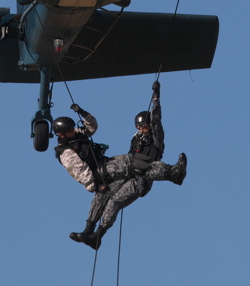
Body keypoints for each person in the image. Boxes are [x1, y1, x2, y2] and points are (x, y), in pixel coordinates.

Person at [54, 80, 187, 250]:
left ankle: (171, 173)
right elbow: (77, 171)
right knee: (109, 198)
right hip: (103, 173)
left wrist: (156, 98)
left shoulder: (155, 135)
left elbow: (155, 121)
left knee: (132, 165)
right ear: (62, 134)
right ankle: (93, 234)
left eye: (143, 126)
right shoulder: (66, 151)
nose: (141, 129)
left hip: (137, 178)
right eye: (138, 126)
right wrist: (95, 185)